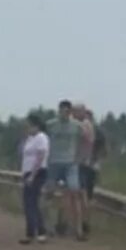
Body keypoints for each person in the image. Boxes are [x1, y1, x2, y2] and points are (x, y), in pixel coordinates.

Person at [46, 99, 85, 239]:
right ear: (59, 111)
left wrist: (79, 158)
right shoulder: (50, 125)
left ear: (70, 112)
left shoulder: (77, 126)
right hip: (54, 162)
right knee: (49, 193)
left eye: (67, 111)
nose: (64, 114)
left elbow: (84, 141)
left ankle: (78, 229)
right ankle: (49, 226)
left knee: (75, 193)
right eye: (62, 111)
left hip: (70, 163)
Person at [18, 115, 49, 245]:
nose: (28, 128)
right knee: (29, 204)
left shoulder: (41, 138)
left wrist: (33, 175)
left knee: (32, 203)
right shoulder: (30, 139)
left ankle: (37, 232)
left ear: (36, 126)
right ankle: (34, 232)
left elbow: (40, 157)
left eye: (30, 126)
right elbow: (23, 154)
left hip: (37, 172)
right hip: (27, 172)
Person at [75, 103, 97, 239]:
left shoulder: (84, 125)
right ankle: (82, 224)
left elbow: (84, 139)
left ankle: (83, 225)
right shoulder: (85, 124)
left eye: (76, 112)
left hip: (82, 164)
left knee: (81, 195)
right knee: (81, 196)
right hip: (83, 164)